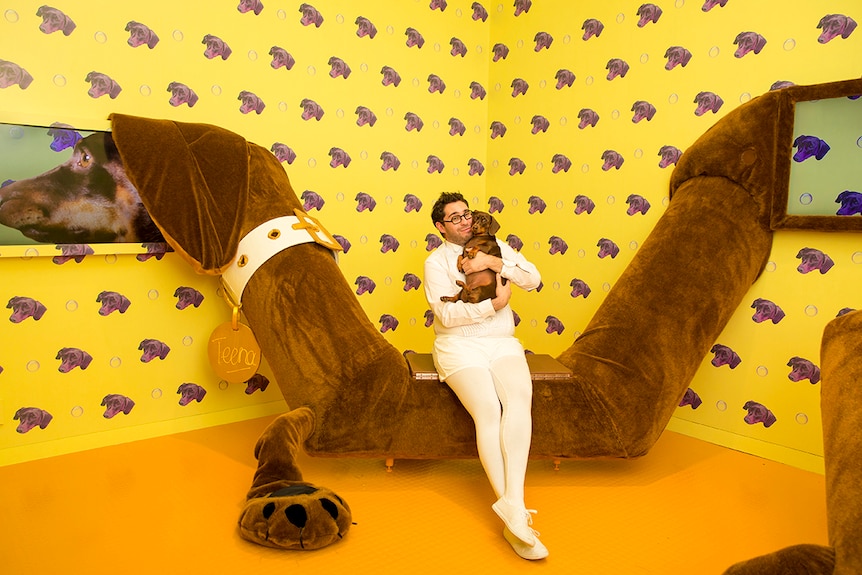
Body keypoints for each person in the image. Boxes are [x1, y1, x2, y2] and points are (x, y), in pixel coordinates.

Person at [423, 191, 546, 560]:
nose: (463, 221)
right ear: (440, 226)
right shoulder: (436, 262)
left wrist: (497, 262)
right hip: (458, 347)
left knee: (519, 402)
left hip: (502, 342)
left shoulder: (496, 246)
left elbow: (533, 278)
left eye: (466, 214)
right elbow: (446, 316)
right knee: (489, 412)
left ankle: (513, 506)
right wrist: (494, 305)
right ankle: (516, 516)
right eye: (454, 217)